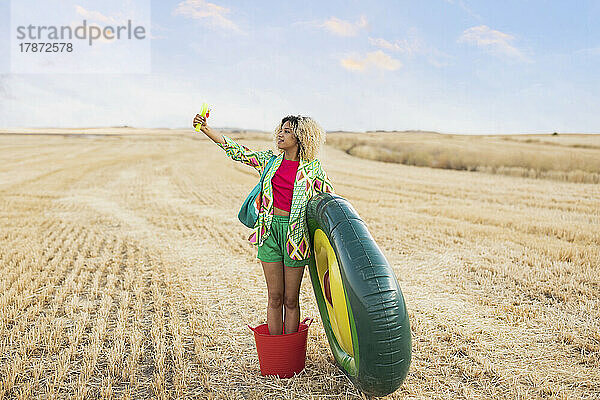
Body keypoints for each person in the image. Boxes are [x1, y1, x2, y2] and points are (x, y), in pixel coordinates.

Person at [193, 113, 335, 335]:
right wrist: (206, 129)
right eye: (281, 129)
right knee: (275, 297)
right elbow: (238, 152)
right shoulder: (270, 161)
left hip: (296, 237)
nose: (280, 134)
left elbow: (329, 200)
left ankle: (289, 352)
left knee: (290, 300)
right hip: (269, 232)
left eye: (287, 131)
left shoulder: (312, 169)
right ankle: (276, 351)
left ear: (300, 138)